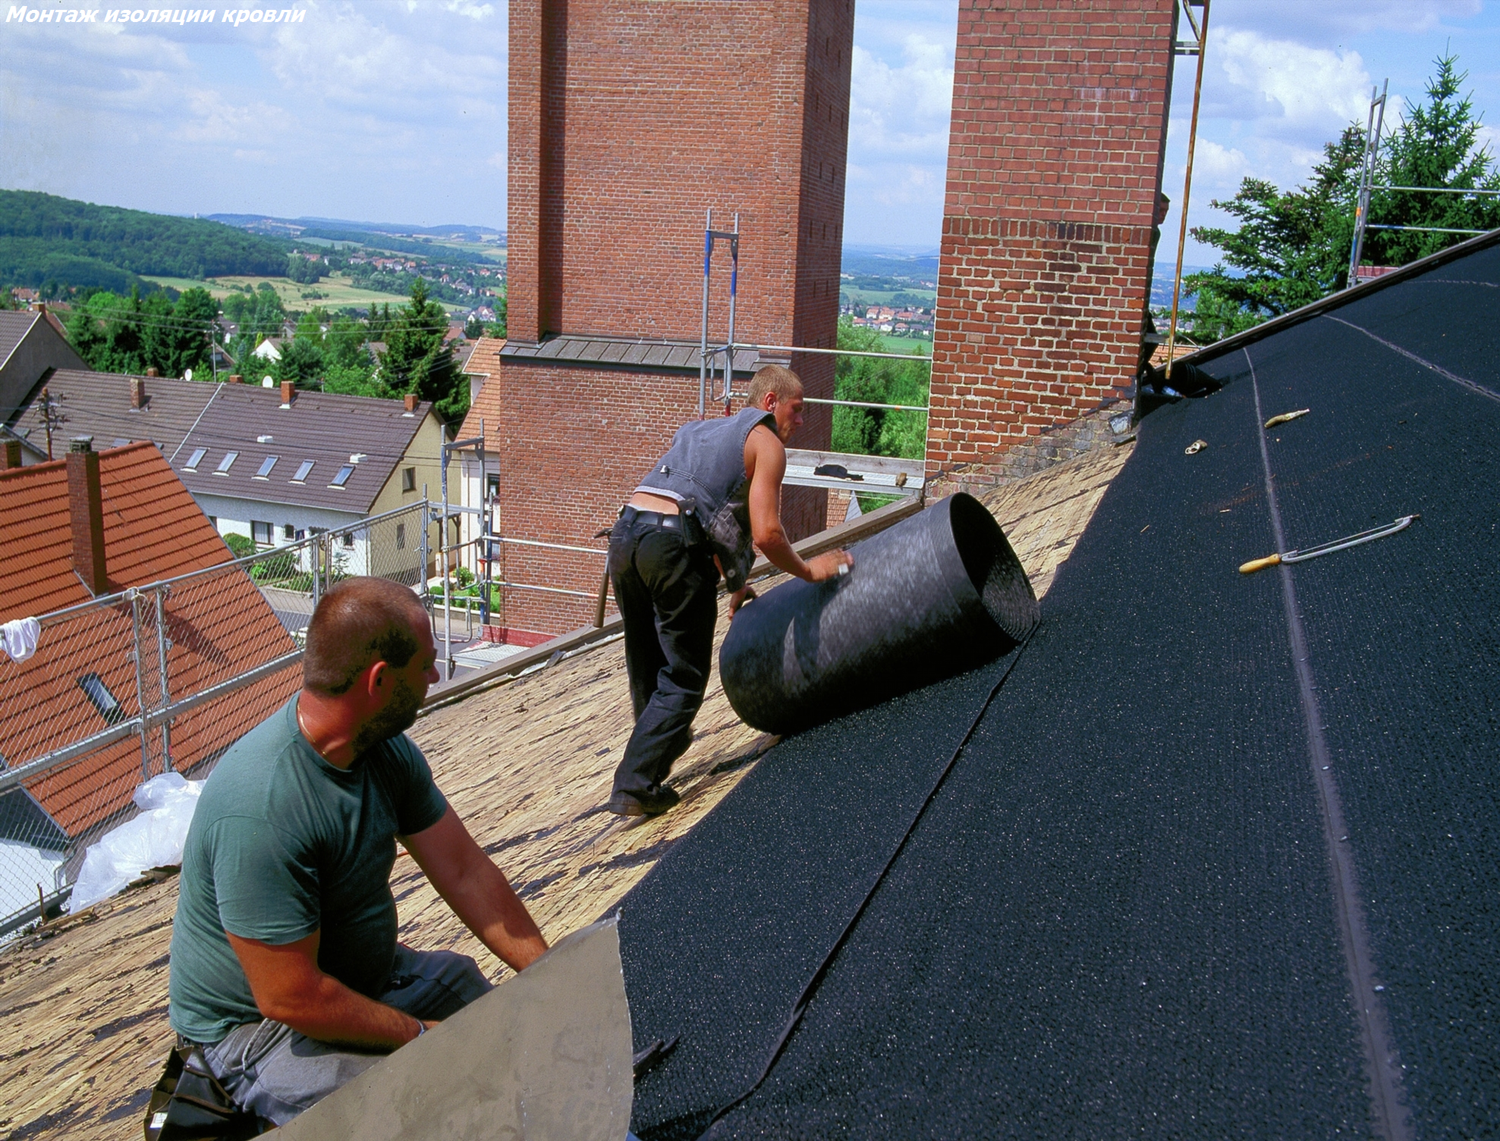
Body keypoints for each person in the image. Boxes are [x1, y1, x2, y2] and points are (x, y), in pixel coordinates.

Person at [167, 577, 549, 1126]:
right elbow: (291, 998)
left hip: (355, 983)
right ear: (379, 680)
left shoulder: (385, 753)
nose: (435, 677)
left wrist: (555, 977)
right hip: (255, 1032)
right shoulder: (262, 808)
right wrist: (420, 1037)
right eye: (425, 666)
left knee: (468, 992)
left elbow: (466, 873)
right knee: (419, 1101)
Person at [606, 364, 854, 817]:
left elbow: (711, 518)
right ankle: (635, 784)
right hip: (670, 547)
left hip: (626, 536)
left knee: (648, 659)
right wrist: (810, 571)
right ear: (770, 402)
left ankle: (662, 746)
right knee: (684, 677)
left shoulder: (701, 430)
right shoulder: (767, 444)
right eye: (797, 410)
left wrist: (737, 587)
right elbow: (767, 535)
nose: (801, 422)